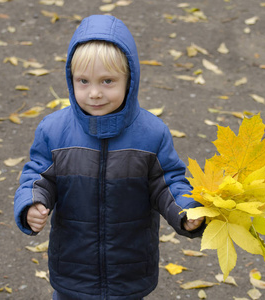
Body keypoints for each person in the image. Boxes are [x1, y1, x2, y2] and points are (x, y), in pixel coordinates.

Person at [14, 14, 205, 300]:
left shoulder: (151, 133)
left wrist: (187, 210)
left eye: (107, 81)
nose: (94, 93)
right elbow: (38, 175)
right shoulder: (54, 131)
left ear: (130, 79)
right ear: (70, 79)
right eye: (83, 81)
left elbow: (168, 182)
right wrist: (32, 203)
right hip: (73, 267)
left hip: (129, 269)